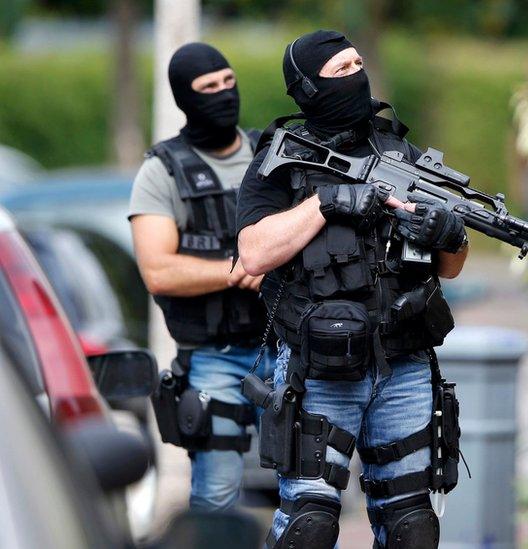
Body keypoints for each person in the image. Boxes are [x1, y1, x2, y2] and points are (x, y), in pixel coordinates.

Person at [236, 30, 468, 548]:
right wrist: (325, 203)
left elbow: (451, 267)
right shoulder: (281, 159)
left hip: (404, 363)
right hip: (319, 367)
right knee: (309, 526)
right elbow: (252, 252)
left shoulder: (399, 153)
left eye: (357, 64)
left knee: (413, 526)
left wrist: (447, 232)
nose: (355, 76)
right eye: (339, 71)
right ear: (307, 88)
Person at [128, 42, 275, 510]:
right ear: (184, 98)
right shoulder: (160, 172)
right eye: (208, 88)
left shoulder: (270, 154)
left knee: (309, 498)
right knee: (216, 496)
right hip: (217, 358)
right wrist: (238, 268)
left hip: (288, 348)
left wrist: (271, 259)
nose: (223, 94)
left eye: (229, 82)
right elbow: (158, 271)